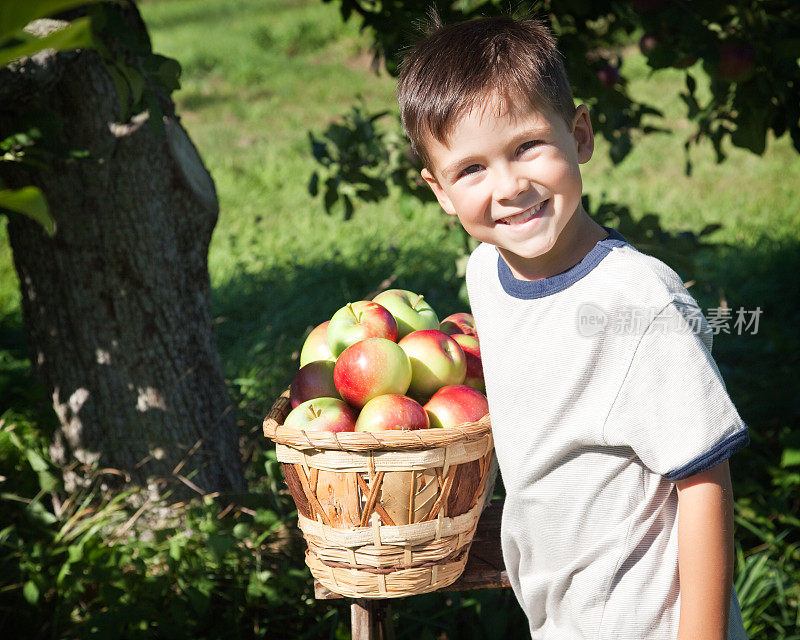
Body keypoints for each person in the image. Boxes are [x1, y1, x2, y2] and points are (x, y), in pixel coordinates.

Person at [397, 15, 751, 640]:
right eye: (471, 169)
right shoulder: (486, 273)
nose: (509, 187)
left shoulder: (637, 301)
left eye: (528, 146)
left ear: (580, 134)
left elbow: (703, 481)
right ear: (440, 191)